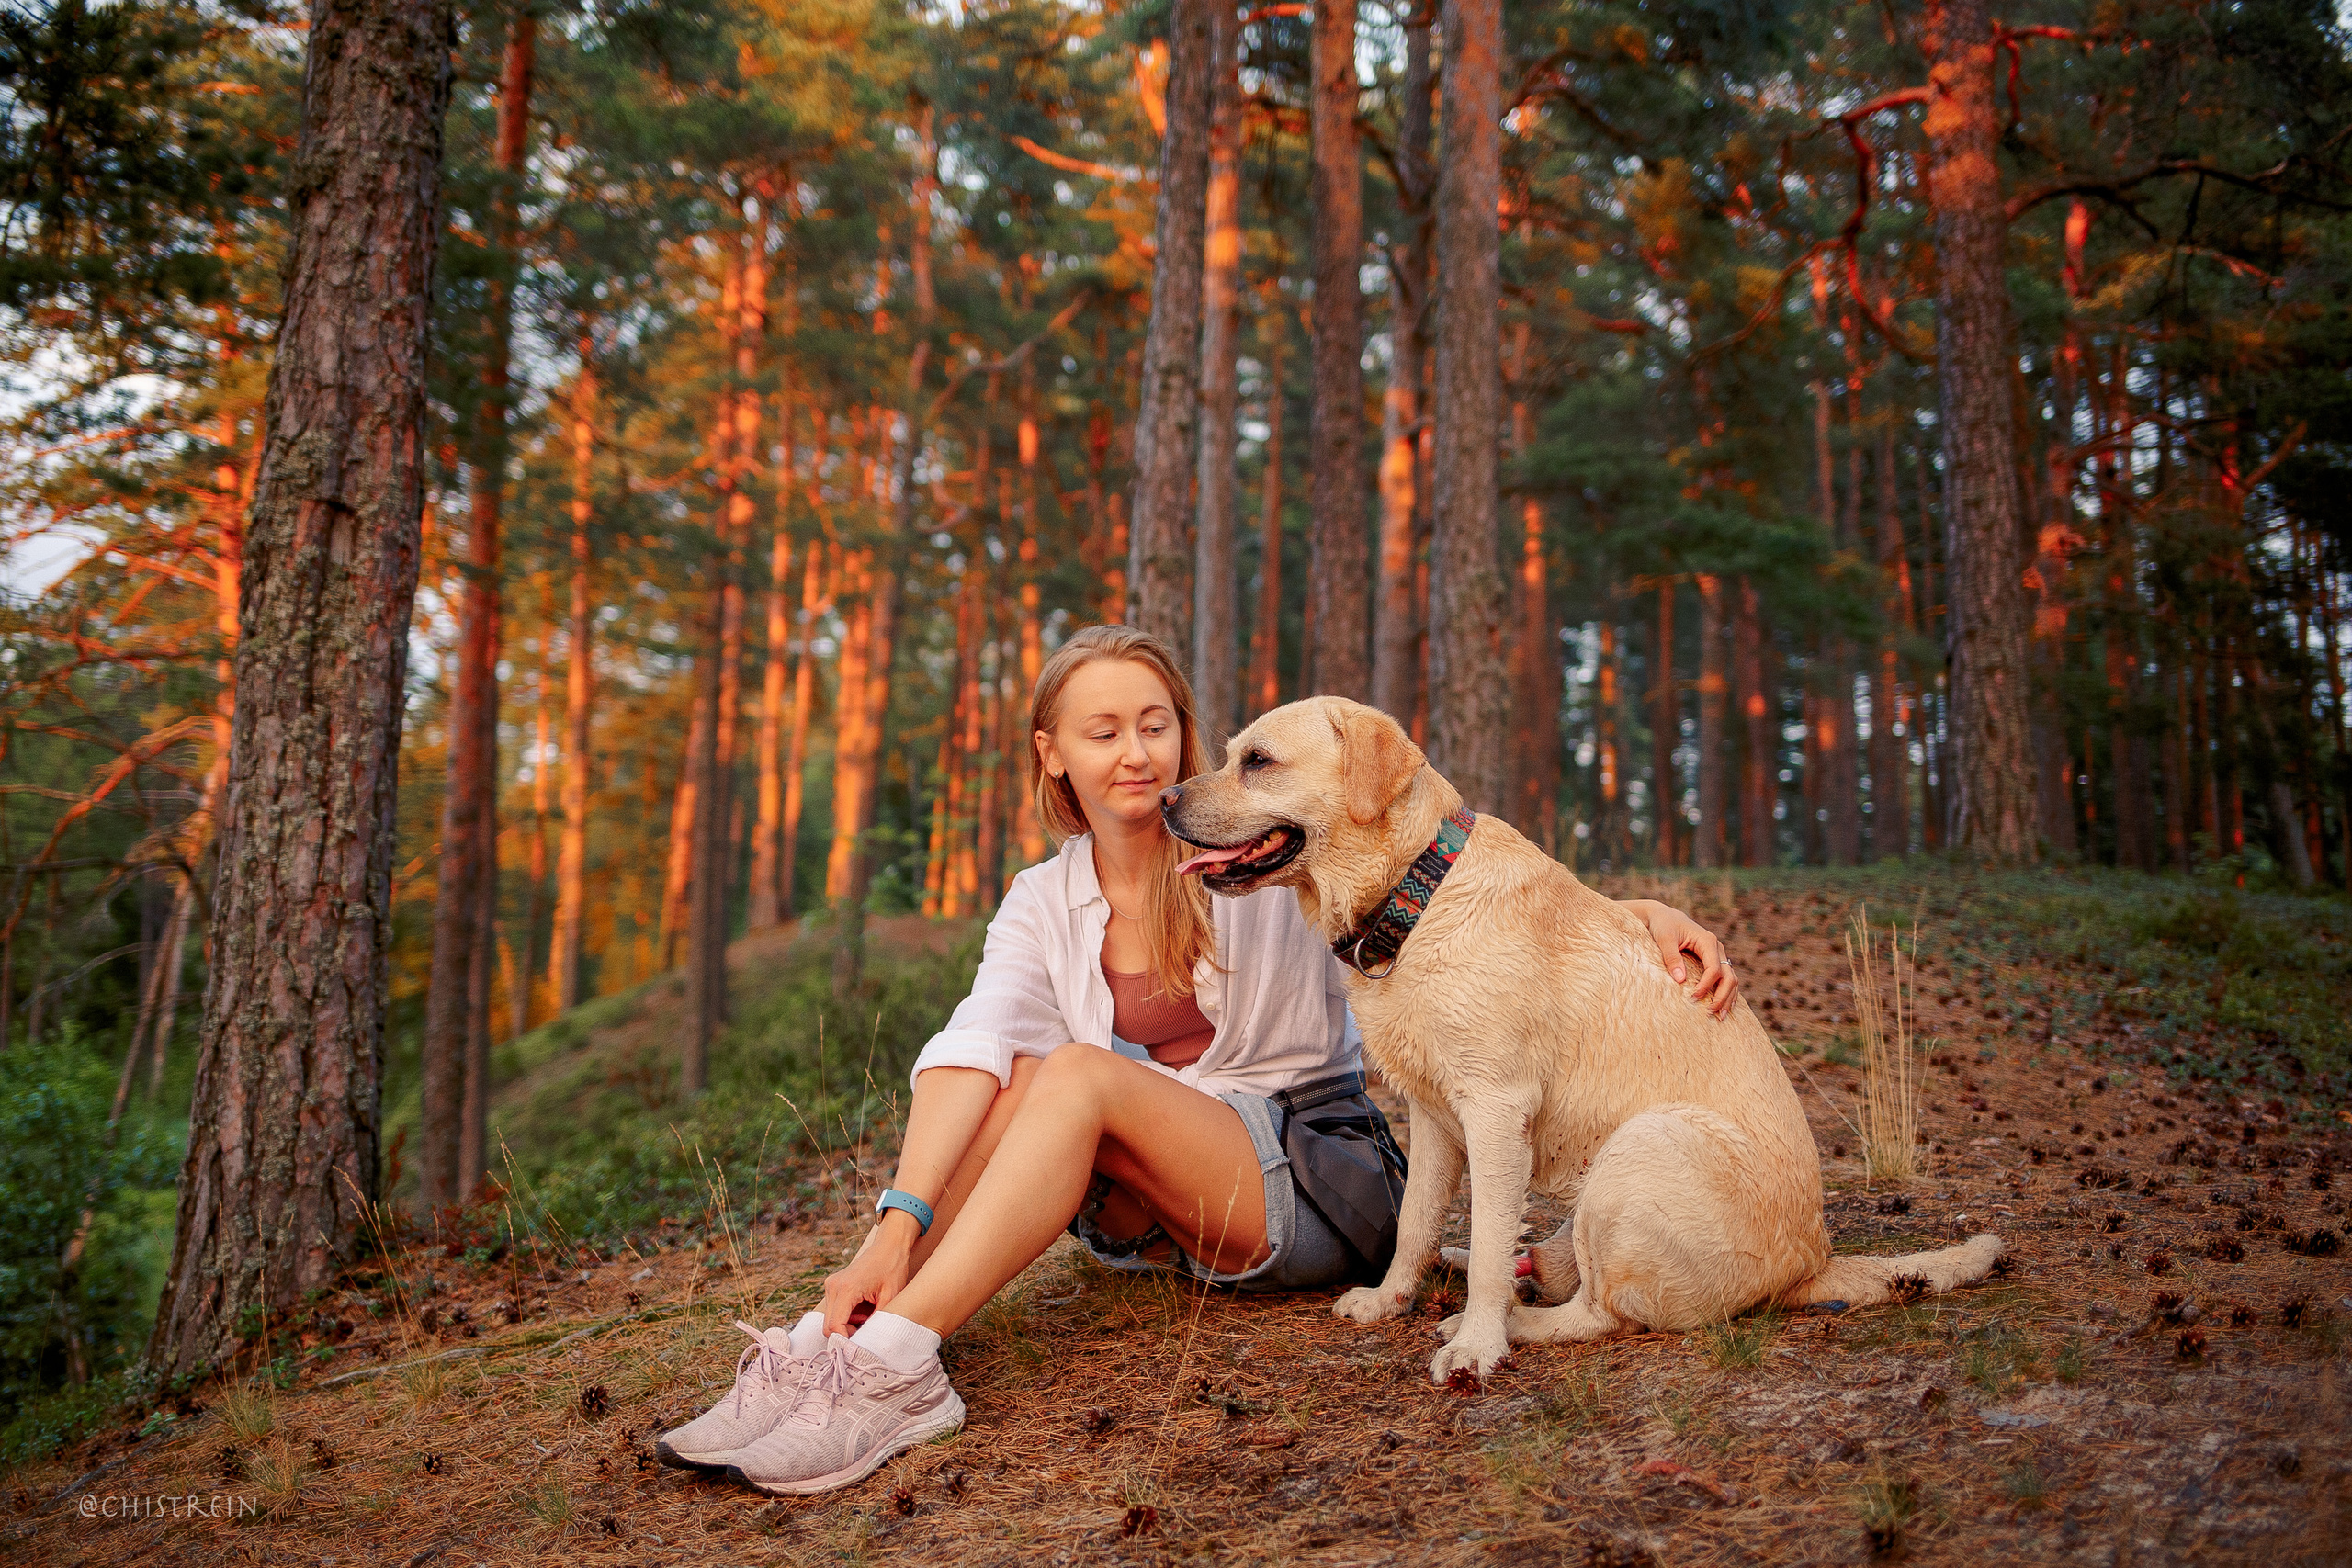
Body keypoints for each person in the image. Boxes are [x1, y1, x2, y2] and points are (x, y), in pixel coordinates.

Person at [655, 625, 1741, 1496]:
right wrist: (888, 1228)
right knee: (1021, 1066)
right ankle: (832, 1338)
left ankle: (895, 1370)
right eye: (1101, 732)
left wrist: (1633, 914)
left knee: (1075, 1072)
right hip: (1168, 1212)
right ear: (1054, 753)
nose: (1136, 755)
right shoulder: (1043, 899)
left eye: (1156, 725)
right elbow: (972, 1047)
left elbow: (1452, 883)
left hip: (1314, 1183)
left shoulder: (1267, 853)